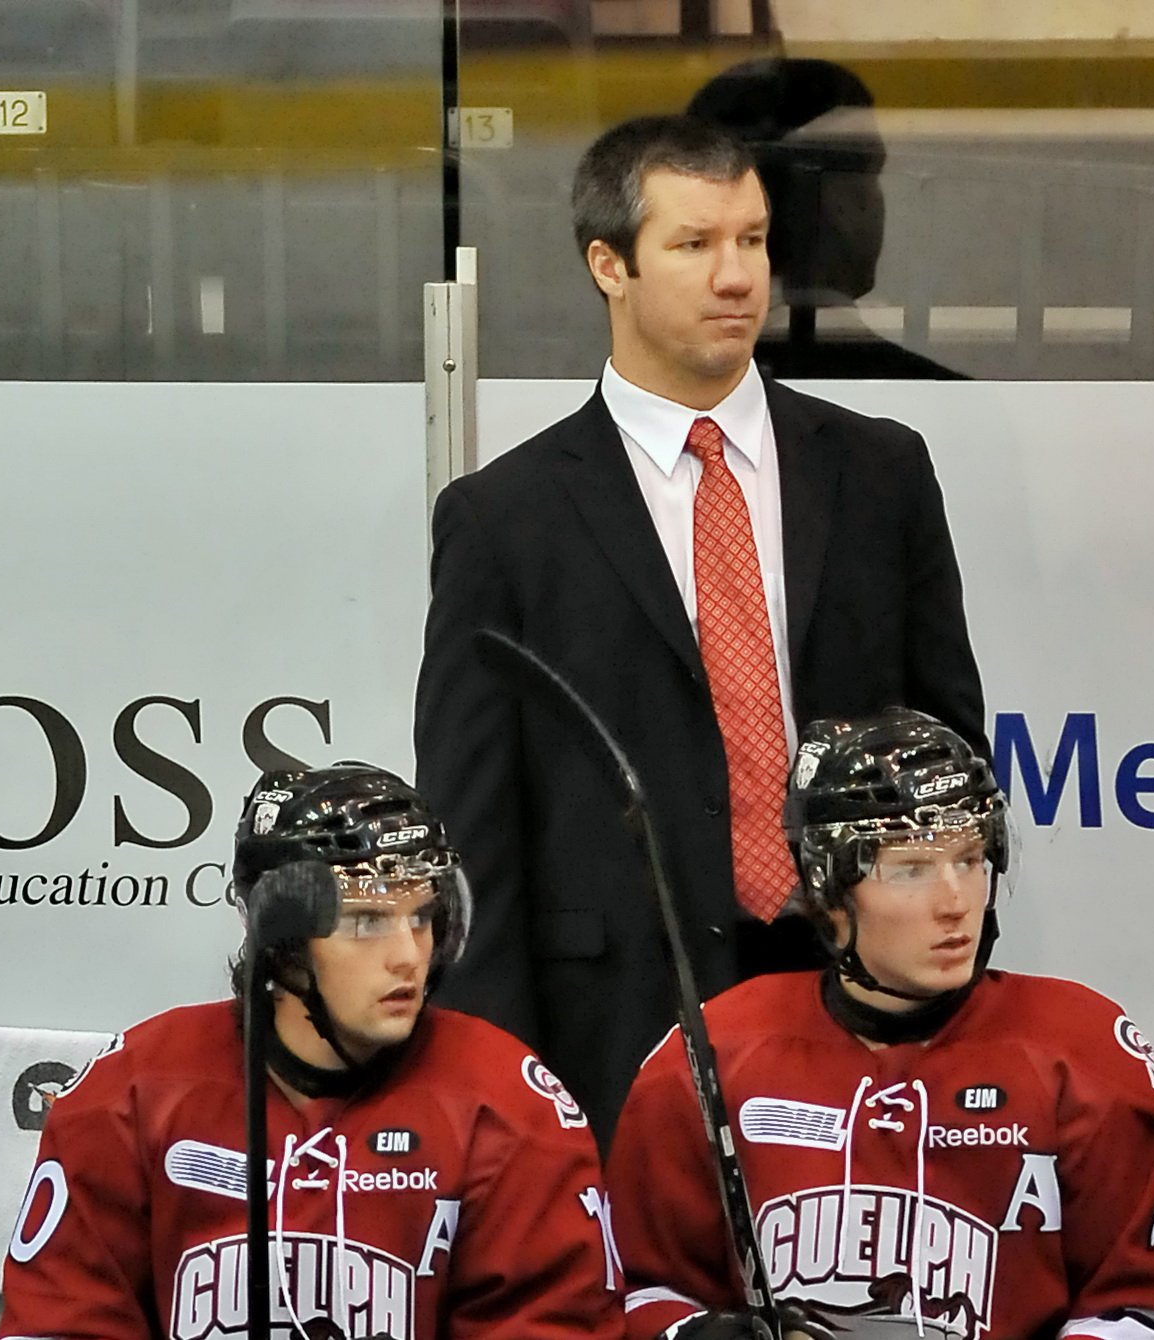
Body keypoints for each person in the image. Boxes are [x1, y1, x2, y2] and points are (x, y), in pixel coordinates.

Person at [414, 113, 988, 1146]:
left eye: (754, 240)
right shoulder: (506, 519)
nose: (737, 277)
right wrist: (503, 1087)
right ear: (609, 265)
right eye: (694, 244)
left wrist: (952, 971)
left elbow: (950, 749)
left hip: (862, 993)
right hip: (619, 1016)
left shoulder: (878, 474)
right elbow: (474, 828)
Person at [606, 710, 1154, 1340]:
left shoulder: (1083, 1053)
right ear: (829, 887)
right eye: (911, 869)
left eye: (971, 858)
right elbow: (633, 1295)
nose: (955, 901)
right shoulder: (709, 1056)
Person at [0, 764, 624, 1340]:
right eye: (366, 921)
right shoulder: (128, 1095)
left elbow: (550, 1325)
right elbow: (63, 1320)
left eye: (422, 916)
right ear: (284, 941)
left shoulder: (510, 1106)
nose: (409, 954)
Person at [687, 58, 967, 381]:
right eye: (870, 173)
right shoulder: (938, 403)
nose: (876, 200)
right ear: (837, 200)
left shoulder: (656, 400)